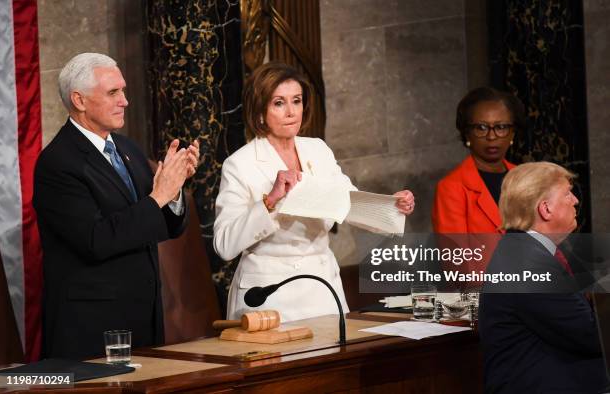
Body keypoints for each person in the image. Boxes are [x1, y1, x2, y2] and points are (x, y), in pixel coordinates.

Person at [213, 62, 415, 322]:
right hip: (269, 296)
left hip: (322, 291)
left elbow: (349, 202)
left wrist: (393, 206)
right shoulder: (239, 164)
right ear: (260, 111)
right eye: (279, 103)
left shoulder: (318, 150)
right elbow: (224, 244)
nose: (291, 112)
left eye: (296, 101)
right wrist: (270, 202)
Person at [33, 53, 199, 359]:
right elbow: (96, 240)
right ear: (79, 100)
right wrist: (158, 196)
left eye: (122, 90)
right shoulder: (57, 163)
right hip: (92, 331)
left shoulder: (127, 148)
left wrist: (174, 191)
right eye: (113, 93)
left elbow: (165, 226)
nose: (125, 101)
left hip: (144, 322)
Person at [478, 162, 607, 393]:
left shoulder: (524, 251)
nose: (575, 200)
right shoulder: (527, 263)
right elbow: (594, 337)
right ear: (545, 209)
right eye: (567, 193)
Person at [432, 87, 525, 234]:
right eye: (481, 128)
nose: (491, 137)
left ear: (512, 133)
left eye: (501, 127)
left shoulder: (525, 178)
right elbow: (455, 256)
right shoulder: (451, 188)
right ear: (467, 134)